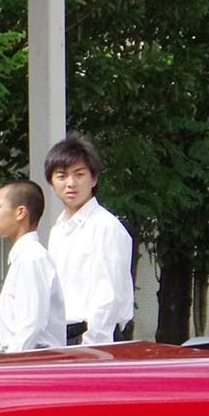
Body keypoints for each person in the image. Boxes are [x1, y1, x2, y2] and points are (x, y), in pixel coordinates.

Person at [44, 134, 134, 345]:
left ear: (94, 179)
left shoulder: (105, 227)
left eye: (79, 174)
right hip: (62, 337)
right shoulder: (58, 230)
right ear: (51, 183)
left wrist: (92, 348)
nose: (71, 183)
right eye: (61, 176)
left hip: (94, 338)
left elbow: (107, 297)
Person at [0, 180, 66, 353]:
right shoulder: (25, 257)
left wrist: (11, 363)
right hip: (27, 355)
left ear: (20, 212)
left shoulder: (31, 258)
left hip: (33, 357)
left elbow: (31, 323)